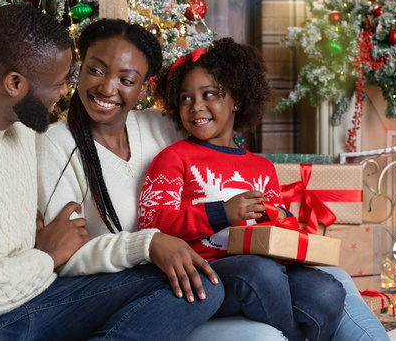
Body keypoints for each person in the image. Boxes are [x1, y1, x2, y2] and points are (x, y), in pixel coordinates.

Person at [0, 5, 223, 341]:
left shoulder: (23, 126)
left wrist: (40, 249)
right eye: (58, 83)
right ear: (15, 83)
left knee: (198, 283)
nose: (64, 94)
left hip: (37, 299)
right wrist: (45, 254)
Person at [37, 19, 389, 341]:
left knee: (330, 285)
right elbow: (74, 252)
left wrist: (280, 225)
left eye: (127, 80)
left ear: (144, 88)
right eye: (95, 70)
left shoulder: (165, 126)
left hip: (235, 267)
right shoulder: (62, 145)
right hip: (155, 280)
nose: (108, 87)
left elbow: (223, 141)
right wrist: (153, 242)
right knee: (260, 276)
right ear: (78, 69)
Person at [137, 37, 346, 341]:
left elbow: (278, 233)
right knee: (259, 272)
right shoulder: (173, 157)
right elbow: (152, 223)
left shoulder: (262, 167)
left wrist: (278, 217)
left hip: (267, 270)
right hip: (206, 274)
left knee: (326, 291)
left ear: (236, 99)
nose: (196, 107)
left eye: (208, 94)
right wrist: (222, 213)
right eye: (185, 98)